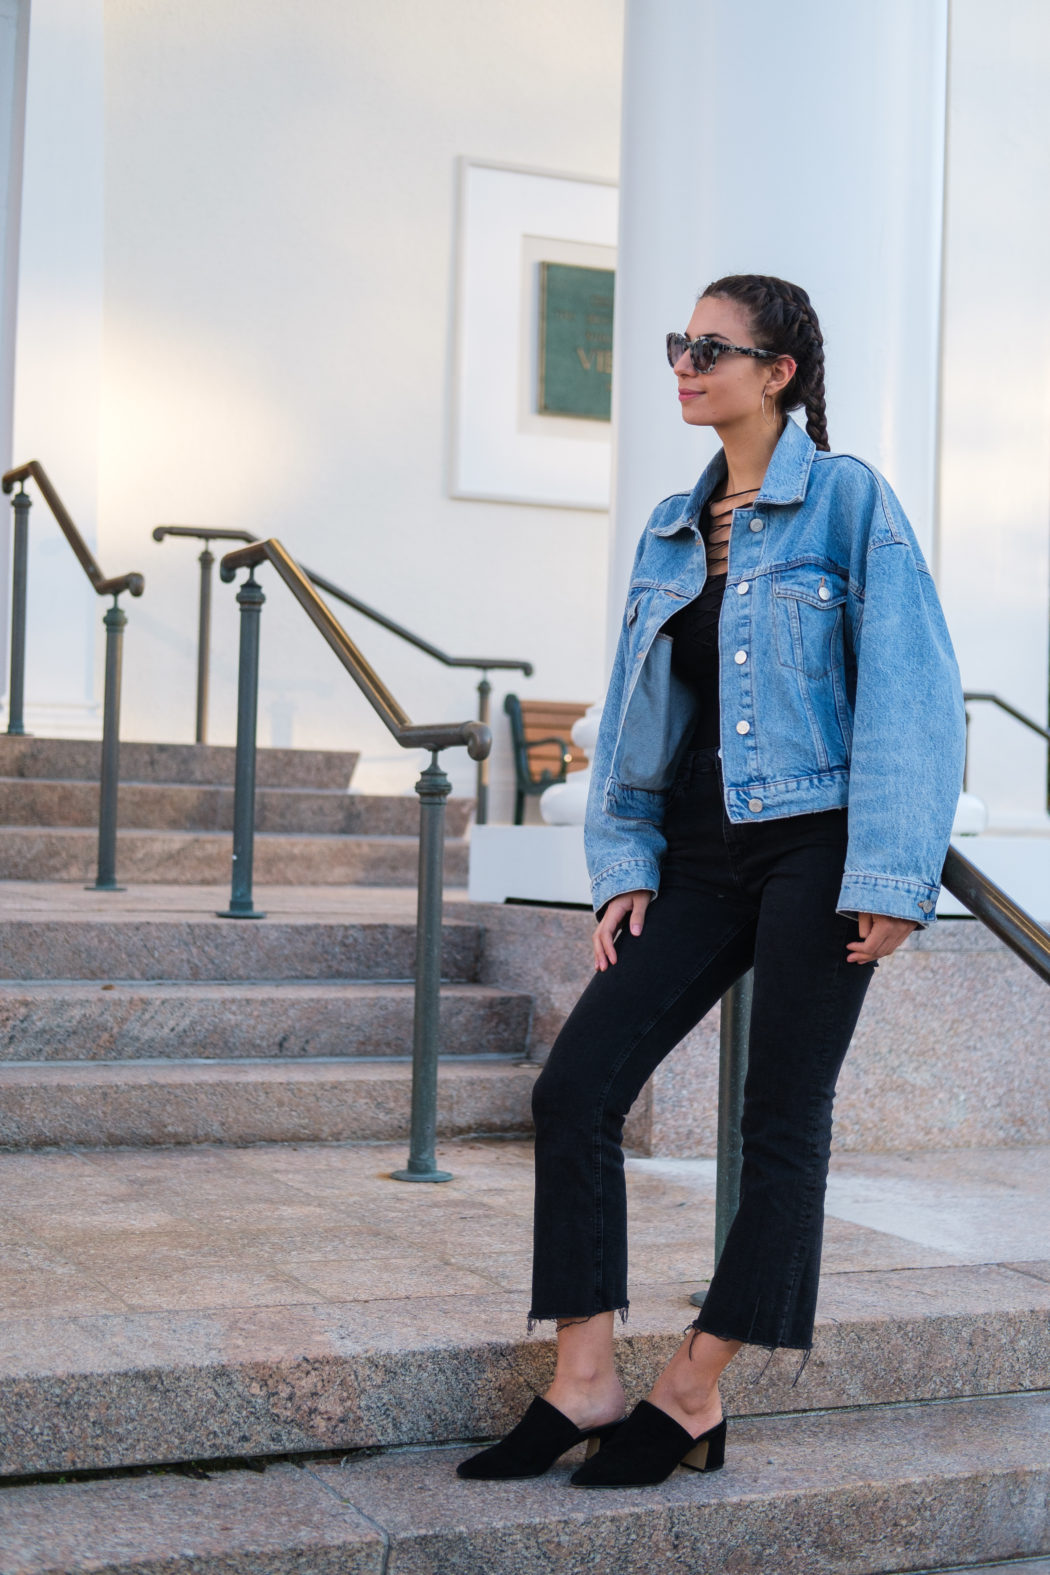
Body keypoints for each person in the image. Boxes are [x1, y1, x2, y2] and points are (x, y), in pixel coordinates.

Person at [457, 273, 966, 1489]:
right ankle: (586, 1378)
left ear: (778, 370)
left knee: (781, 1125)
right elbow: (643, 714)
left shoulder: (848, 503)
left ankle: (693, 1390)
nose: (684, 364)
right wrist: (622, 858)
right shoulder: (671, 528)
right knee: (577, 1092)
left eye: (710, 347)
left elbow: (913, 689)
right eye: (679, 345)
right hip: (692, 851)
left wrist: (893, 872)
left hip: (817, 846)